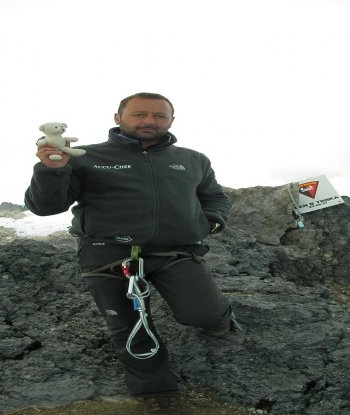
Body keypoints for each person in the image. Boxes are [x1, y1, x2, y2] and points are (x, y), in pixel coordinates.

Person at [25, 92, 238, 414]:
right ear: (118, 118)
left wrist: (212, 223)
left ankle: (220, 318)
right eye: (139, 114)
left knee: (203, 314)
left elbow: (214, 197)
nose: (149, 121)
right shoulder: (85, 156)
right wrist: (51, 169)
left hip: (175, 252)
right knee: (128, 325)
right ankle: (156, 387)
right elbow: (45, 207)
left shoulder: (193, 160)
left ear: (171, 121)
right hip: (107, 253)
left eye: (158, 115)